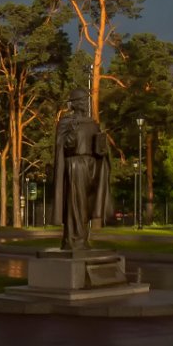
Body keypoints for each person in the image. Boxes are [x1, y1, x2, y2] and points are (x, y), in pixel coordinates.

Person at [52, 90, 111, 250]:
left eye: (87, 100)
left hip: (92, 166)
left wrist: (102, 149)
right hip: (75, 165)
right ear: (75, 103)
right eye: (83, 100)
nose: (86, 103)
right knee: (76, 204)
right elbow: (62, 145)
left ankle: (82, 238)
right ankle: (73, 240)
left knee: (86, 205)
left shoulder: (92, 123)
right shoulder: (66, 122)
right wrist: (71, 134)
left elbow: (99, 149)